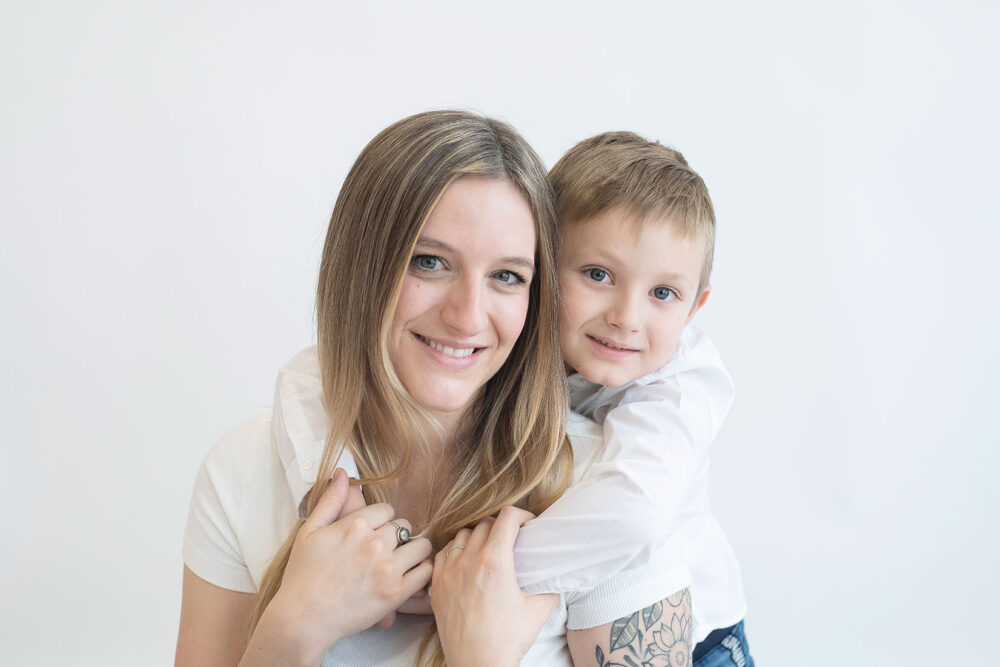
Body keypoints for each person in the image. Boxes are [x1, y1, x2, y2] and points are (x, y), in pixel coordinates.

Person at [175, 111, 692, 667]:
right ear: (360, 268)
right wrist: (293, 630)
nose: (467, 316)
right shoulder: (244, 470)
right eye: (429, 263)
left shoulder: (607, 492)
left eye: (507, 276)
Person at [514, 131, 754, 666]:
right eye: (598, 275)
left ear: (693, 309)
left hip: (702, 642)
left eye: (662, 293)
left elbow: (632, 515)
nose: (626, 317)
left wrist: (487, 577)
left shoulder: (680, 386)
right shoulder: (523, 338)